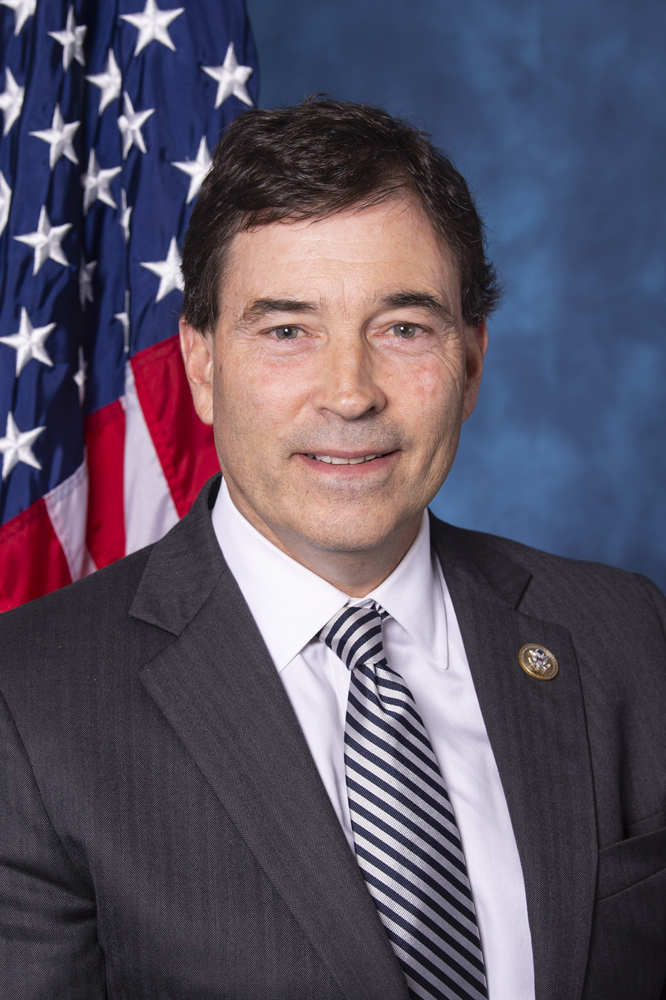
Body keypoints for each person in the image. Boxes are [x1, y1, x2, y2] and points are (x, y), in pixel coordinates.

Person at [1, 98, 665, 1000]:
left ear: (470, 361)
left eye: (402, 328)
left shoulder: (628, 635)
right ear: (201, 365)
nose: (350, 393)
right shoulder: (30, 704)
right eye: (286, 331)